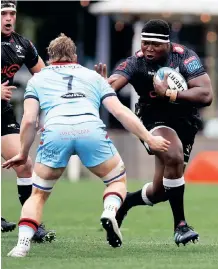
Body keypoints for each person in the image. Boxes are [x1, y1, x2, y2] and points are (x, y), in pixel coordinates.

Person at [2, 33, 170, 257]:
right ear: (75, 56)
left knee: (38, 195)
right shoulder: (93, 76)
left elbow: (30, 120)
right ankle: (110, 211)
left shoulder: (37, 79)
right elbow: (120, 111)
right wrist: (149, 138)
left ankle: (22, 245)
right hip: (90, 129)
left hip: (56, 132)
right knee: (116, 180)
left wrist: (23, 152)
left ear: (50, 58)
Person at [94, 19, 213, 246]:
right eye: (144, 43)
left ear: (167, 45)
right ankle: (181, 225)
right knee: (174, 152)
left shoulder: (184, 57)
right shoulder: (136, 62)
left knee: (162, 190)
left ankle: (127, 202)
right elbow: (114, 83)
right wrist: (101, 86)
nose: (147, 48)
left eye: (154, 44)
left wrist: (170, 93)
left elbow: (206, 95)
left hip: (185, 122)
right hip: (152, 120)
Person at [1, 0, 56, 242]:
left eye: (12, 13)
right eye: (3, 13)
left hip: (3, 113)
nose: (9, 18)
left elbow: (44, 77)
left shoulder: (22, 45)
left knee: (24, 164)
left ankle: (30, 224)